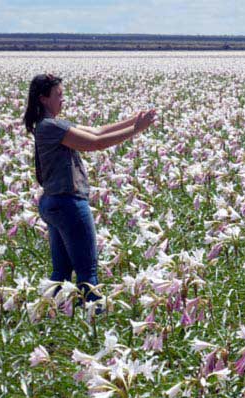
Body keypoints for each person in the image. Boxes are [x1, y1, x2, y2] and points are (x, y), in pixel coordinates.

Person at [23, 73, 156, 307]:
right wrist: (137, 130)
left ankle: (46, 318)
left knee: (61, 275)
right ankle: (95, 323)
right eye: (59, 95)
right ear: (44, 99)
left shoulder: (48, 125)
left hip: (53, 203)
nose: (63, 100)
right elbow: (96, 144)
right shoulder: (51, 126)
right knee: (88, 276)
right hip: (68, 204)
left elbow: (97, 131)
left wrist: (132, 120)